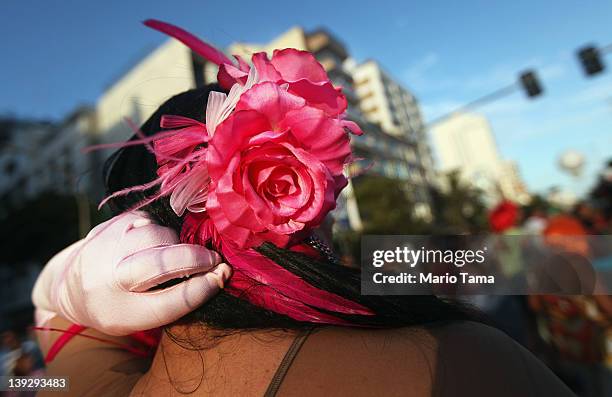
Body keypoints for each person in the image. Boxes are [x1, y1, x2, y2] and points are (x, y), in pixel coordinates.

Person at [32, 20, 575, 396]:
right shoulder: (457, 359)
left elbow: (49, 321)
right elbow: (532, 265)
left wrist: (71, 278)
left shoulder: (86, 384)